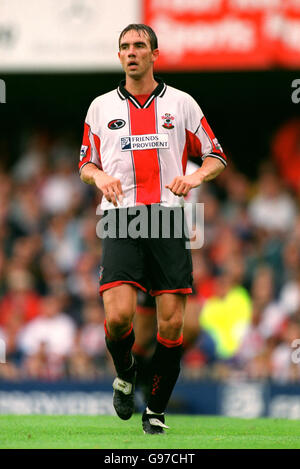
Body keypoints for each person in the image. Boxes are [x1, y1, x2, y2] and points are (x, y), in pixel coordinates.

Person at [79, 23, 227, 434]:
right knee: (119, 319)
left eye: (139, 46)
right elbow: (86, 162)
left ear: (154, 54)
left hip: (167, 218)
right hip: (121, 216)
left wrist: (195, 178)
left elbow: (215, 155)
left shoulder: (181, 104)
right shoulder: (100, 107)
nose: (131, 52)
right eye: (125, 46)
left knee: (173, 324)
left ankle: (155, 411)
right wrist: (98, 178)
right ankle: (125, 372)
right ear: (119, 55)